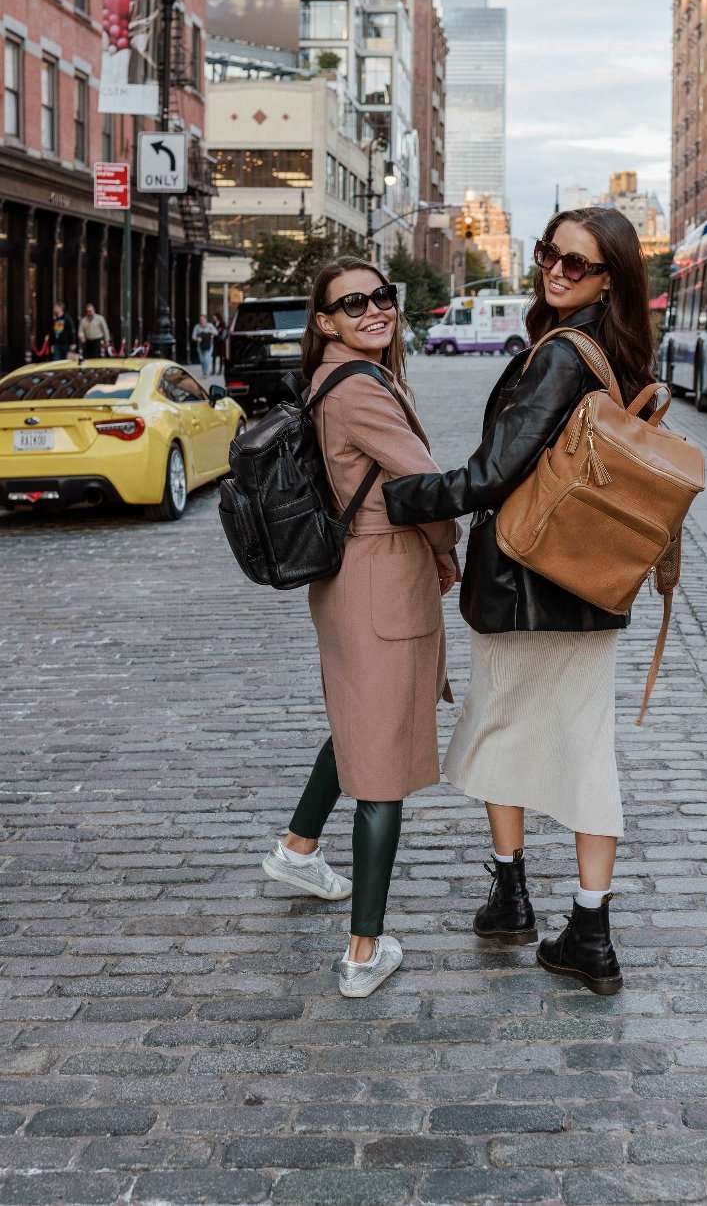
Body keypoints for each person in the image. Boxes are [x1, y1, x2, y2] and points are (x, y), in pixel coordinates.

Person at [383, 207, 656, 996]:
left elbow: (493, 471)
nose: (558, 271)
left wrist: (408, 499)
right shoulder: (623, 352)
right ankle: (591, 928)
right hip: (594, 584)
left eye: (579, 264)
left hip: (523, 582)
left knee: (500, 725)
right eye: (550, 255)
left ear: (611, 278)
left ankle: (511, 895)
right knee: (585, 745)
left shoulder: (563, 355)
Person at [260, 256, 460, 999]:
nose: (374, 310)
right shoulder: (362, 391)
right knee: (381, 765)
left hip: (347, 578)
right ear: (325, 322)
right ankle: (362, 951)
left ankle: (297, 847)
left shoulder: (331, 378)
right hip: (383, 578)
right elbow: (425, 488)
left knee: (357, 721)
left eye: (382, 297)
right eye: (353, 304)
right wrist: (447, 553)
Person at [191, 313, 215, 378]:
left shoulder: (210, 326)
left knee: (206, 359)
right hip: (200, 346)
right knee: (202, 360)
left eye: (203, 319)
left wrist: (211, 334)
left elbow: (216, 332)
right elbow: (193, 337)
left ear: (206, 319)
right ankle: (204, 372)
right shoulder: (197, 326)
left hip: (209, 345)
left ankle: (205, 373)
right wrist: (197, 339)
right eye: (200, 319)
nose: (202, 321)